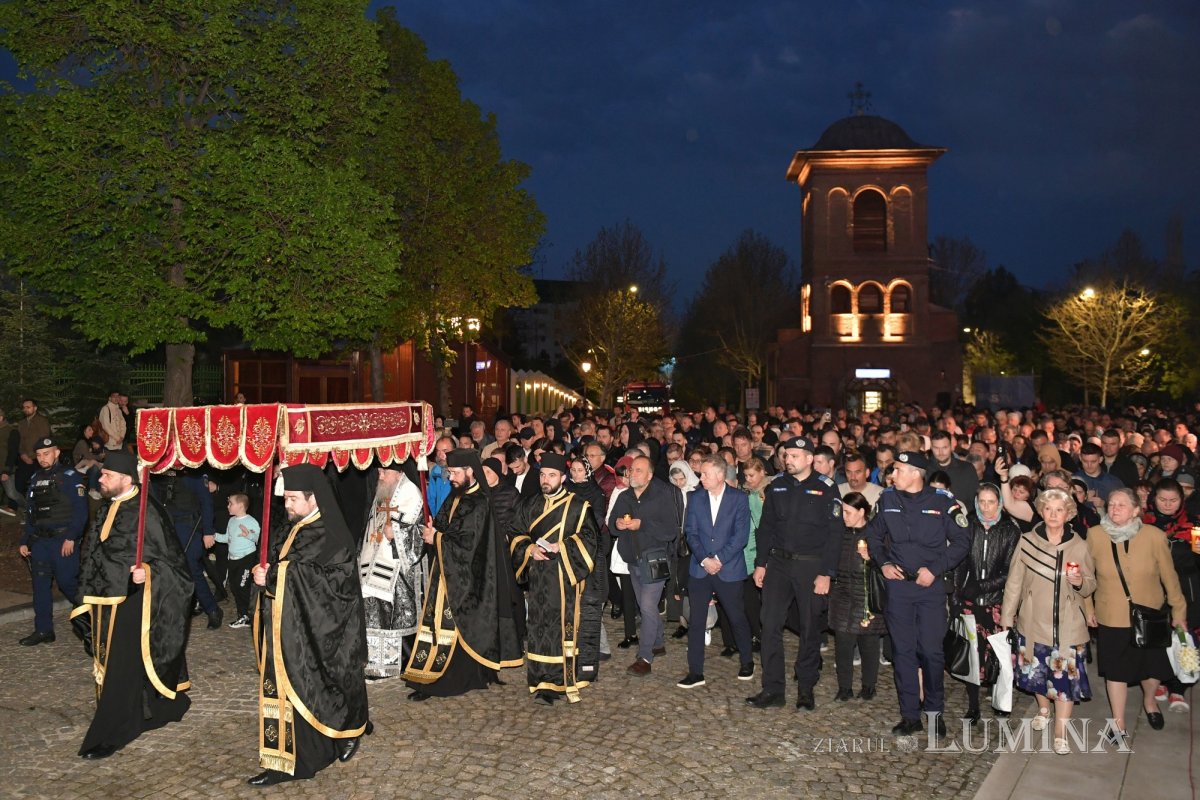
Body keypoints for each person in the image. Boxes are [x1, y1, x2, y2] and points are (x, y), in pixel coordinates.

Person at [248, 463, 371, 786]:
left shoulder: (332, 533)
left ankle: (344, 731)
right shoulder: (294, 526)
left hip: (325, 632)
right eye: (285, 498)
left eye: (292, 499)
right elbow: (282, 561)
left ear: (313, 498)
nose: (286, 505)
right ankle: (286, 759)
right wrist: (264, 572)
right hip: (290, 626)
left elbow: (329, 585)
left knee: (330, 684)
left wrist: (275, 576)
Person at [74, 450, 192, 759]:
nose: (101, 479)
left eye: (107, 475)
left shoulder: (146, 511)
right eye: (102, 474)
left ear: (127, 478)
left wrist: (149, 572)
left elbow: (175, 564)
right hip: (105, 602)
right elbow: (95, 553)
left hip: (134, 603)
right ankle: (150, 709)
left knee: (121, 669)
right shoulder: (106, 508)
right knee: (118, 666)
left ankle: (113, 731)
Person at [864, 450, 971, 737]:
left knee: (932, 652)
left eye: (897, 469)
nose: (892, 475)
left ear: (915, 473)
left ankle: (935, 713)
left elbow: (962, 541)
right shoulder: (887, 500)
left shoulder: (942, 502)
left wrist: (935, 569)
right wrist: (883, 562)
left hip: (930, 588)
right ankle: (910, 714)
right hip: (898, 588)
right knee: (903, 652)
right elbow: (872, 535)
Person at [402, 450, 523, 699]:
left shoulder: (479, 503)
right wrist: (434, 530)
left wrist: (437, 538)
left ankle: (454, 676)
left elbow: (468, 544)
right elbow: (447, 526)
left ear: (470, 470)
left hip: (469, 579)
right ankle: (430, 672)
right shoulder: (455, 496)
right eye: (450, 473)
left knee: (457, 625)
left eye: (456, 473)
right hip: (447, 573)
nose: (452, 477)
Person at [746, 436, 842, 711]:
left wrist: (827, 573)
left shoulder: (826, 488)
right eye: (786, 456)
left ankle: (806, 688)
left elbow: (835, 534)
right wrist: (761, 563)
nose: (788, 460)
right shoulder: (776, 487)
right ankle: (773, 688)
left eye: (795, 456)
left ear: (810, 459)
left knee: (810, 626)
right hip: (778, 564)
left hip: (811, 566)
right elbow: (766, 528)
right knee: (770, 624)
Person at [1087, 488, 1188, 743]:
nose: (1115, 508)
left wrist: (1178, 610)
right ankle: (1118, 723)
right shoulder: (1096, 535)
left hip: (1150, 613)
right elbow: (1088, 576)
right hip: (1111, 614)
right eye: (1111, 504)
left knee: (1152, 668)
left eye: (1122, 504)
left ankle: (1149, 700)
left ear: (1135, 510)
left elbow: (1169, 577)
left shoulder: (1154, 536)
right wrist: (1088, 608)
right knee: (1115, 670)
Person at [998, 488, 1095, 754]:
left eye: (1059, 510)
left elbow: (1090, 585)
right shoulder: (1027, 540)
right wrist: (1007, 617)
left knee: (1064, 681)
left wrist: (1080, 582)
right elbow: (1014, 581)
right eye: (1048, 509)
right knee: (1035, 674)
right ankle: (1043, 708)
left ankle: (1060, 732)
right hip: (1032, 620)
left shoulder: (1079, 545)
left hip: (1067, 624)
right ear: (1041, 511)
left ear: (1068, 514)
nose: (1053, 515)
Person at [509, 453, 600, 704]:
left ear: (563, 477)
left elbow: (591, 539)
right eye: (542, 475)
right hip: (538, 577)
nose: (545, 480)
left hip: (563, 578)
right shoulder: (529, 504)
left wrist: (564, 546)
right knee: (537, 628)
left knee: (559, 629)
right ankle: (540, 680)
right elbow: (515, 533)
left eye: (551, 475)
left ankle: (559, 681)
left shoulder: (579, 506)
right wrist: (529, 550)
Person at [676, 455, 755, 690]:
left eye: (705, 474)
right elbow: (690, 532)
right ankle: (695, 671)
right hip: (700, 570)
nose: (701, 478)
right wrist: (704, 559)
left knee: (736, 617)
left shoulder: (739, 499)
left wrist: (718, 559)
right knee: (696, 621)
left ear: (720, 476)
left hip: (728, 569)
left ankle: (747, 660)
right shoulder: (696, 498)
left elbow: (740, 536)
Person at [952, 483, 1020, 724]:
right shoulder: (968, 524)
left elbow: (1010, 570)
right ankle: (973, 706)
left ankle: (1001, 701)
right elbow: (960, 561)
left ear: (999, 503)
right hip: (970, 602)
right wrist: (957, 594)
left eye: (991, 502)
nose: (986, 507)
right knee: (972, 653)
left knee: (1001, 655)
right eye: (982, 502)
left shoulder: (1009, 529)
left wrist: (983, 586)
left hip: (997, 602)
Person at [609, 454, 682, 676]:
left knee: (649, 606)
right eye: (632, 470)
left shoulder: (662, 495)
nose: (632, 473)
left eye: (639, 470)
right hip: (633, 559)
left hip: (656, 559)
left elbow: (671, 531)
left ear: (649, 475)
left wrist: (643, 525)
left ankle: (645, 657)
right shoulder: (625, 497)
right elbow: (611, 525)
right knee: (645, 606)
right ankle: (658, 642)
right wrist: (618, 524)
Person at [18, 436, 90, 648]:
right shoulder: (35, 478)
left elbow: (81, 512)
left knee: (69, 584)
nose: (42, 458)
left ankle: (93, 625)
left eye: (46, 454)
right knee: (40, 587)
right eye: (39, 455)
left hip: (62, 541)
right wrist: (25, 540)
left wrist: (71, 537)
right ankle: (43, 630)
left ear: (57, 453)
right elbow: (32, 514)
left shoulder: (70, 476)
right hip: (40, 542)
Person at [358, 463, 425, 678]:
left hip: (396, 569)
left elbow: (418, 531)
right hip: (372, 564)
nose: (380, 475)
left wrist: (396, 532)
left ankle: (393, 664)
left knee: (393, 614)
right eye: (379, 471)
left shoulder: (410, 493)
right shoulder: (383, 492)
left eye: (384, 472)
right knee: (372, 610)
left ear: (399, 473)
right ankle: (374, 664)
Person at [1141, 479, 1199, 712]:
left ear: (1182, 501)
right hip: (1154, 588)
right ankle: (1159, 680)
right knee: (1157, 637)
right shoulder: (1143, 523)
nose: (1167, 505)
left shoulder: (1193, 525)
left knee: (1186, 637)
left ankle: (1179, 686)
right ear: (1153, 499)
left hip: (1187, 589)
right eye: (1162, 500)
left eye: (1173, 500)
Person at [828, 492, 886, 702]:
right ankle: (845, 687)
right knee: (843, 644)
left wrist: (871, 559)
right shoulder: (839, 533)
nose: (844, 516)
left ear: (861, 511)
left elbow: (887, 564)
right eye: (843, 511)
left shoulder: (874, 534)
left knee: (869, 644)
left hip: (867, 595)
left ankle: (869, 686)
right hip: (843, 594)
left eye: (848, 512)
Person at [153, 467, 223, 629]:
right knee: (169, 568)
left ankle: (212, 609)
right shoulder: (160, 471)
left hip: (191, 526)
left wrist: (208, 532)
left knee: (191, 567)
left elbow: (206, 501)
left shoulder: (193, 472)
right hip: (169, 525)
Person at [217, 492, 259, 628]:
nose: (228, 506)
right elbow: (226, 539)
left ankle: (248, 616)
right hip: (233, 559)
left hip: (246, 559)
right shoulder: (232, 521)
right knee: (234, 587)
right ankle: (244, 615)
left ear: (240, 506)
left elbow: (258, 538)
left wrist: (249, 535)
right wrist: (212, 536)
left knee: (242, 587)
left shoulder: (251, 521)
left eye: (231, 503)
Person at [16, 398, 52, 494]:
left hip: (38, 459)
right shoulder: (21, 423)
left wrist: (34, 455)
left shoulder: (42, 421)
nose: (25, 409)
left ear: (35, 408)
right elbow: (19, 441)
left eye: (28, 407)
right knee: (19, 484)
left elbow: (44, 441)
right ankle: (23, 505)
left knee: (38, 486)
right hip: (24, 458)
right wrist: (23, 454)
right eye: (24, 407)